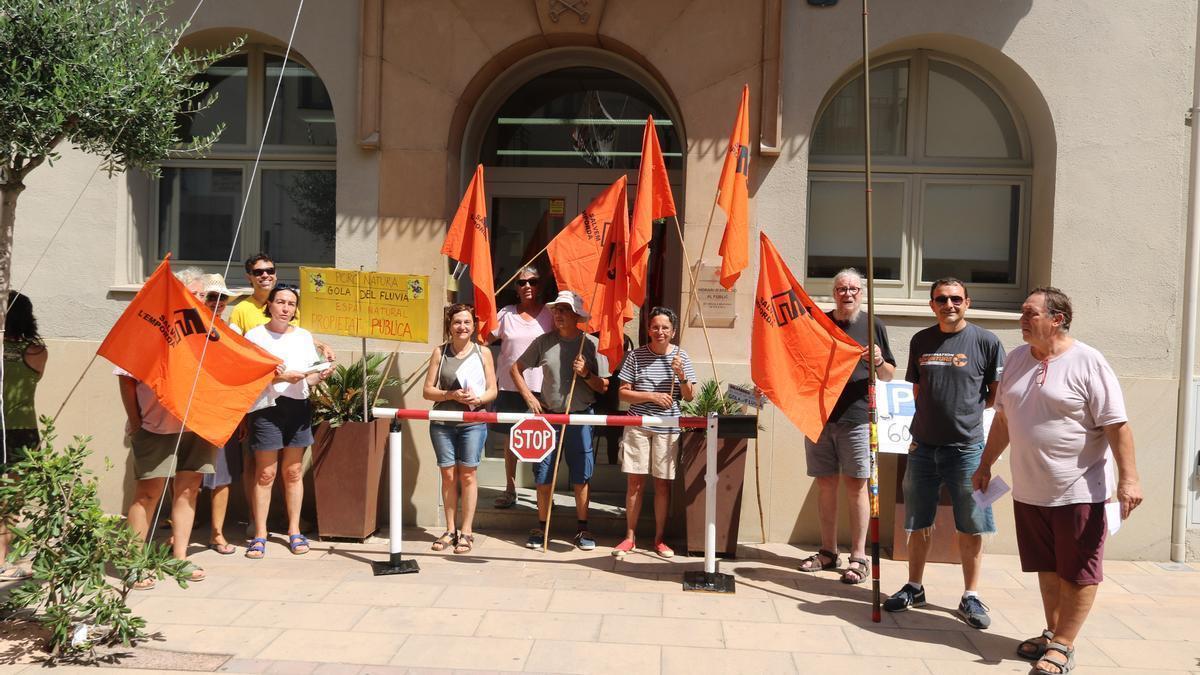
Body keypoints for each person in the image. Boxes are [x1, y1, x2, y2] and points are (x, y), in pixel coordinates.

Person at [972, 287, 1141, 674]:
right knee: (1046, 567)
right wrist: (984, 465)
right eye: (1022, 312)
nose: (1021, 319)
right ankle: (1052, 631)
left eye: (1030, 313)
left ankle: (1064, 645)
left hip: (1079, 489)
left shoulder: (1088, 362)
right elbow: (1003, 421)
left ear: (1057, 319)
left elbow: (1117, 425)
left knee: (1079, 570)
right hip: (1030, 489)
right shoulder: (1015, 360)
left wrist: (1129, 480)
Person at [884, 277, 1005, 630]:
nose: (948, 305)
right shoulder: (920, 340)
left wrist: (963, 418)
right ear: (931, 304)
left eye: (955, 299)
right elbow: (917, 389)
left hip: (968, 450)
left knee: (972, 524)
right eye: (941, 299)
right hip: (922, 447)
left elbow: (994, 394)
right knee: (918, 520)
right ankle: (915, 587)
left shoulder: (986, 341)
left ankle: (971, 595)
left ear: (967, 302)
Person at [796, 269, 895, 584]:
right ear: (833, 292)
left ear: (861, 293)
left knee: (856, 486)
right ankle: (827, 551)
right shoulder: (819, 324)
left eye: (853, 288)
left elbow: (889, 375)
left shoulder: (872, 326)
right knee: (825, 484)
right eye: (841, 288)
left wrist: (878, 361)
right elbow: (800, 363)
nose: (847, 293)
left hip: (856, 418)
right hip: (820, 417)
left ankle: (858, 557)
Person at [511, 290, 609, 551]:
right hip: (548, 417)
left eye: (564, 309)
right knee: (543, 475)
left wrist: (586, 373)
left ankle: (582, 528)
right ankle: (541, 527)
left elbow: (604, 387)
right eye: (556, 309)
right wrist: (529, 398)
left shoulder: (591, 344)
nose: (558, 314)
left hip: (580, 416)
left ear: (577, 315)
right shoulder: (543, 342)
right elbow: (515, 369)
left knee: (581, 476)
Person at [243, 285, 332, 559]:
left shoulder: (304, 336)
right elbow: (247, 376)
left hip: (298, 406)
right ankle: (260, 534)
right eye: (280, 302)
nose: (285, 308)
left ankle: (294, 530)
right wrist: (281, 378)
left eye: (291, 304)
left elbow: (308, 378)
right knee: (265, 474)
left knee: (293, 472)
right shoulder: (255, 336)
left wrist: (322, 374)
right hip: (266, 407)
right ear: (269, 304)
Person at [612, 307, 695, 558]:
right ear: (649, 329)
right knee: (635, 483)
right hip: (638, 425)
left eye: (665, 328)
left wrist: (681, 376)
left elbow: (690, 396)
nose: (660, 332)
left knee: (663, 484)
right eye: (655, 327)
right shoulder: (635, 356)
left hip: (668, 428)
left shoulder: (682, 357)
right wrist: (651, 396)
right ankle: (629, 537)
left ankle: (660, 539)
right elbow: (623, 393)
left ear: (673, 331)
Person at [423, 304, 498, 554]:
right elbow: (427, 391)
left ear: (474, 325)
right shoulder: (440, 352)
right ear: (449, 326)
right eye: (457, 322)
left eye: (467, 322)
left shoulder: (483, 352)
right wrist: (450, 394)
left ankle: (466, 531)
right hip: (443, 423)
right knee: (448, 476)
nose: (462, 327)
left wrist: (479, 400)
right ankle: (449, 529)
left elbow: (492, 390)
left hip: (473, 422)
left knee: (468, 475)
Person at [488, 267, 552, 509]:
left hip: (541, 387)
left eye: (533, 281)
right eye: (521, 282)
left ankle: (543, 492)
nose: (527, 286)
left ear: (539, 285)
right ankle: (510, 488)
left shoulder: (550, 314)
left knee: (542, 440)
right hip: (508, 385)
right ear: (514, 288)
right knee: (510, 439)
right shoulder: (505, 314)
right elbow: (484, 340)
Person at [0, 291, 48, 579]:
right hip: (23, 428)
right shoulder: (36, 350)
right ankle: (6, 554)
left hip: (4, 426)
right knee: (14, 494)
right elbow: (36, 376)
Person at [198, 274, 242, 555]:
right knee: (185, 475)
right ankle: (178, 532)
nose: (217, 303)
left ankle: (217, 533)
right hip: (192, 409)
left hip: (222, 410)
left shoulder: (232, 331)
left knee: (221, 475)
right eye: (211, 297)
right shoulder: (187, 327)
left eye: (221, 298)